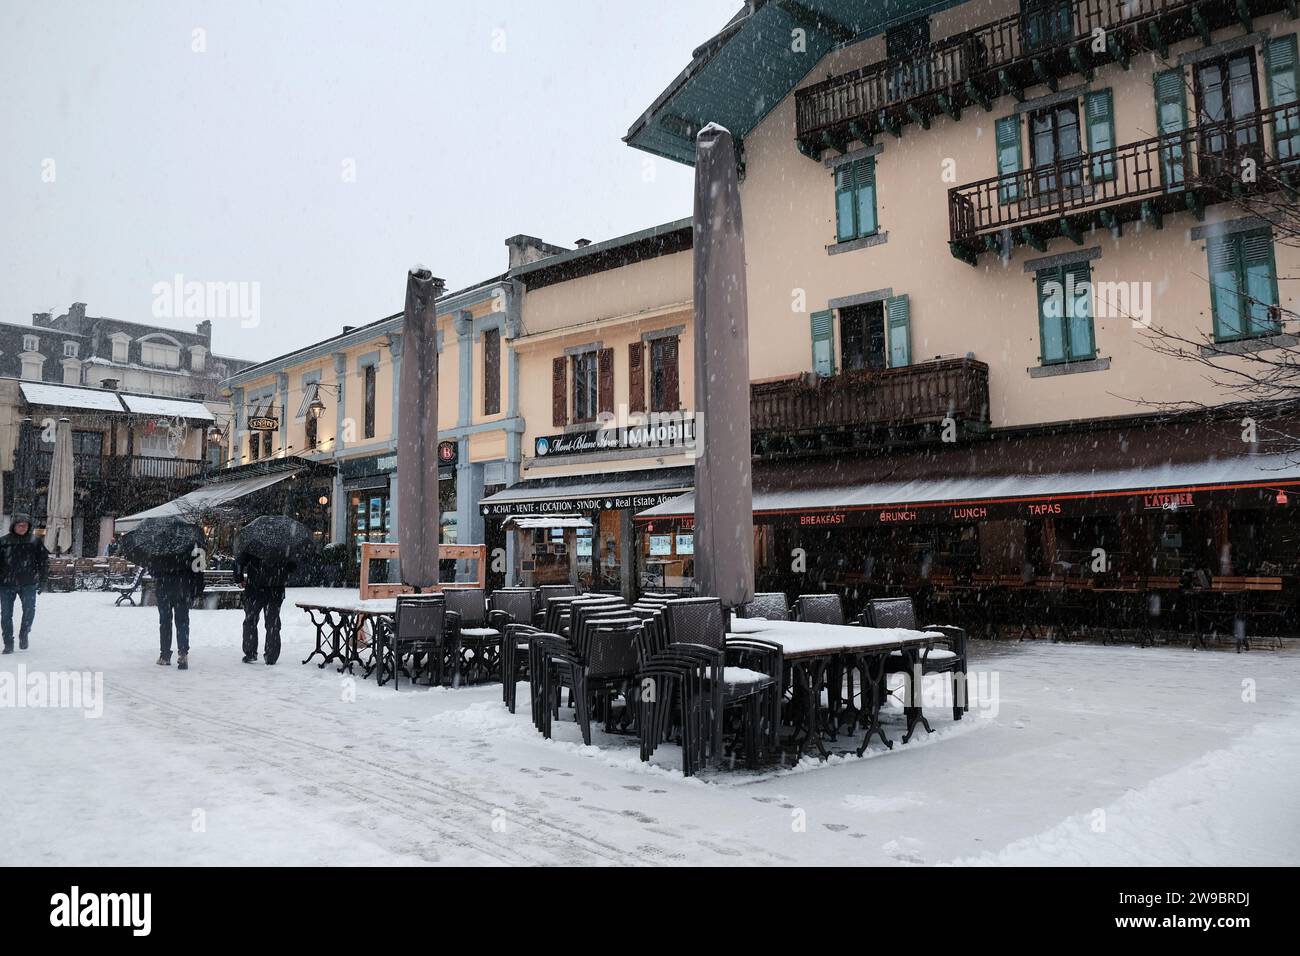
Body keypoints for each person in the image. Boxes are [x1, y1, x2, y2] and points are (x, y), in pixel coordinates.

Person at [0, 514, 48, 654]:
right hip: (6, 583)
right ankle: (8, 642)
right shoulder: (4, 541)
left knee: (29, 611)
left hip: (28, 583)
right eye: (19, 525)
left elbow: (43, 561)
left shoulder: (35, 541)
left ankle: (24, 634)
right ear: (13, 526)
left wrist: (43, 579)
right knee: (6, 614)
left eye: (25, 525)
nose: (22, 527)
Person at [233, 553, 293, 665]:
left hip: (255, 588)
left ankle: (250, 652)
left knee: (250, 621)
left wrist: (239, 578)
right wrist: (282, 574)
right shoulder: (282, 546)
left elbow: (239, 562)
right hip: (276, 588)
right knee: (272, 623)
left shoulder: (253, 544)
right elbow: (292, 565)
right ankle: (271, 656)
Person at [151, 555, 204, 670]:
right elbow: (199, 570)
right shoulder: (192, 547)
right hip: (183, 589)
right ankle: (183, 653)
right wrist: (197, 590)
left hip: (164, 589)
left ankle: (165, 655)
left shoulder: (161, 548)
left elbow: (153, 570)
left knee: (165, 622)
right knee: (182, 622)